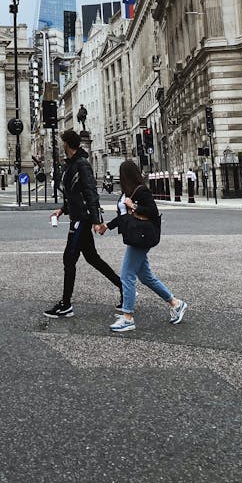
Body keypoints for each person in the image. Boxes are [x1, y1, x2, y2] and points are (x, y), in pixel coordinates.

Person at [98, 159, 187, 333]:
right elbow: (124, 216)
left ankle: (128, 317)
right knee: (146, 277)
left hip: (141, 236)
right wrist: (107, 226)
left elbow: (152, 211)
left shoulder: (141, 191)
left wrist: (135, 206)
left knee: (127, 275)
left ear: (127, 176)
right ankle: (176, 304)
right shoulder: (127, 193)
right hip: (134, 236)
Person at [44, 129, 122, 319]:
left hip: (82, 219)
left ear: (67, 144)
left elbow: (90, 193)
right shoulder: (71, 164)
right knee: (92, 258)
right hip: (77, 216)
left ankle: (66, 304)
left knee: (69, 258)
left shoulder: (82, 164)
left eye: (63, 143)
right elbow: (72, 192)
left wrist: (96, 220)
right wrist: (62, 210)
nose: (61, 146)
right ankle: (124, 287)